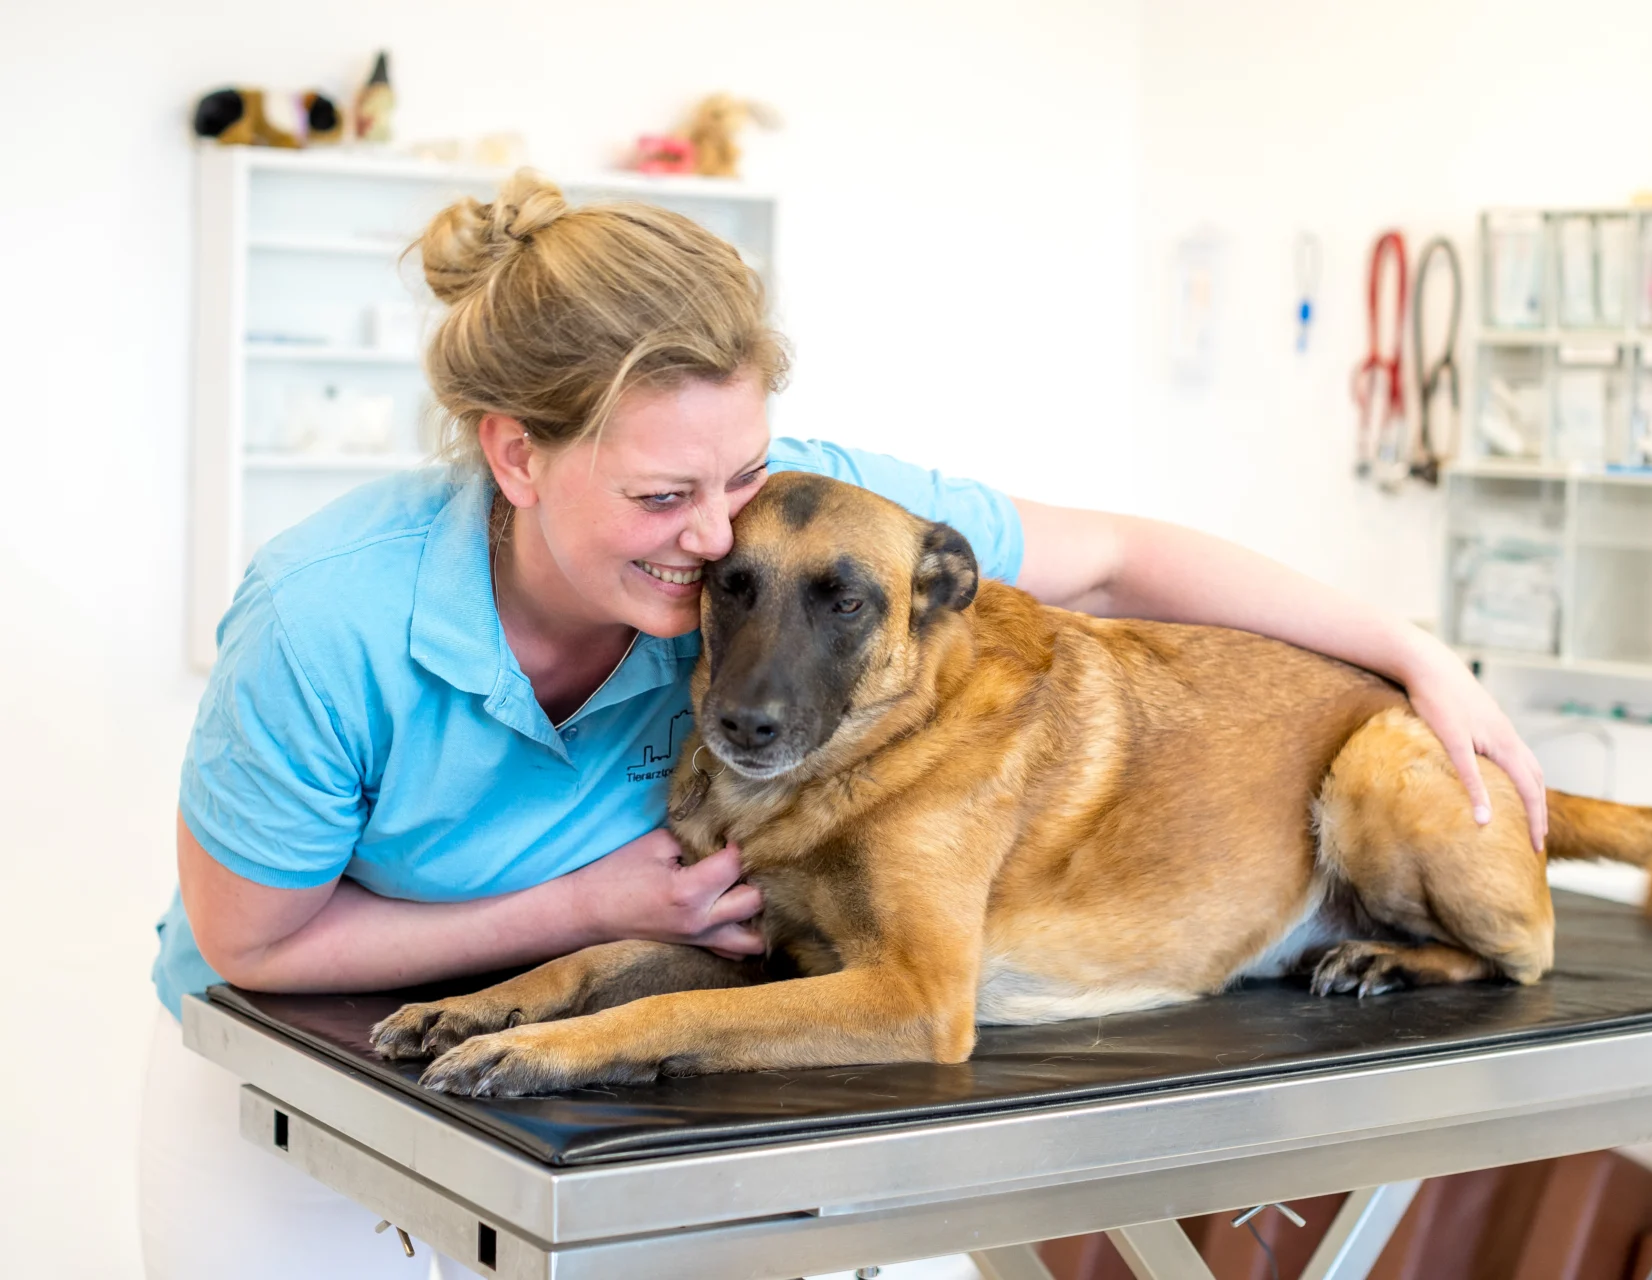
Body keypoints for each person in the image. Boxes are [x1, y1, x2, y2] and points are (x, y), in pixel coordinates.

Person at [138, 170, 1547, 1280]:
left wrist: (1417, 656)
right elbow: (260, 944)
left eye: (739, 475)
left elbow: (1114, 556)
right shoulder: (329, 621)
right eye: (660, 500)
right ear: (516, 452)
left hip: (600, 1094)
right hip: (304, 1072)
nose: (712, 542)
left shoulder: (795, 522)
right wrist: (580, 903)